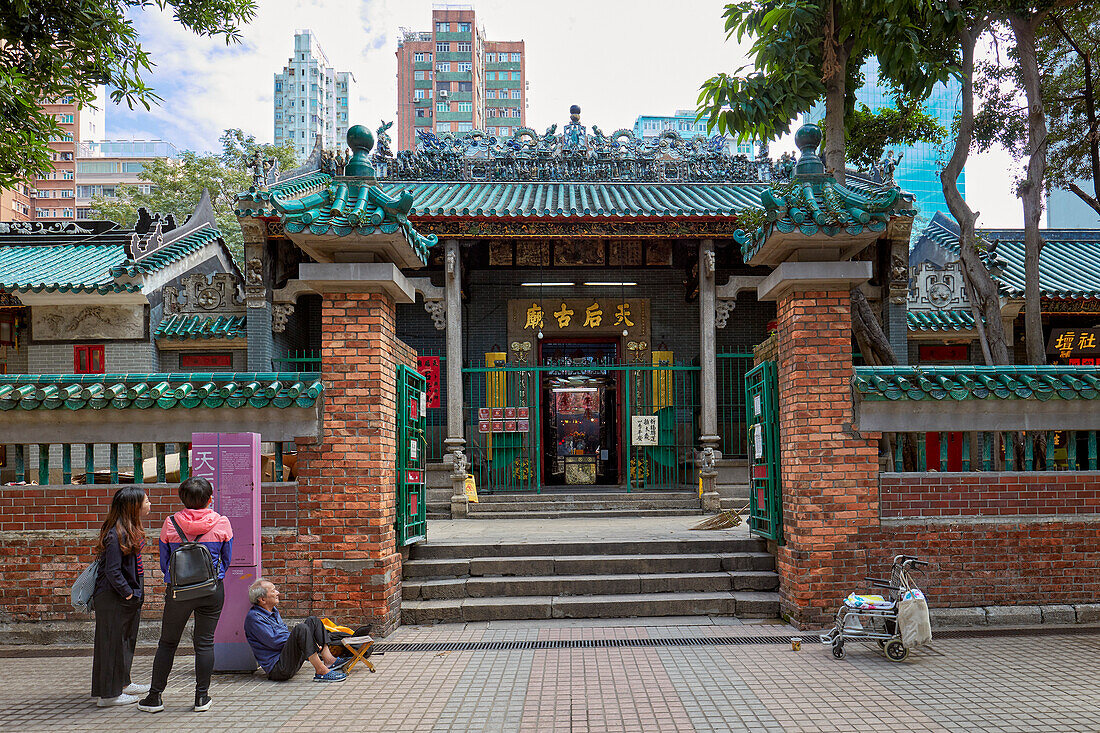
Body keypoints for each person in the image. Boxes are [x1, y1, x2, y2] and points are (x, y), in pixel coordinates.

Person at [137, 477, 233, 714]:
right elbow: (227, 559)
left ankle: (155, 697)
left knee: (168, 643)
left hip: (178, 592)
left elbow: (164, 562)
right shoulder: (222, 522)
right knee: (204, 642)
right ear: (210, 499)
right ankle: (201, 698)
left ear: (182, 499)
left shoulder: (170, 523)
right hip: (211, 590)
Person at [91, 486, 152, 707]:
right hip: (113, 596)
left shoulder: (126, 530)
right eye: (146, 501)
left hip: (125, 596)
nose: (149, 504)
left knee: (124, 642)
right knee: (111, 645)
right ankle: (108, 696)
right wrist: (127, 593)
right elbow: (112, 571)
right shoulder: (116, 534)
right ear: (133, 507)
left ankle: (122, 684)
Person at [243, 579, 349, 683]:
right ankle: (321, 671)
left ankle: (330, 661)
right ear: (262, 599)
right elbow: (275, 642)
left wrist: (308, 642)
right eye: (273, 591)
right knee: (301, 629)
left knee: (313, 621)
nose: (278, 593)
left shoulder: (273, 611)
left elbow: (284, 635)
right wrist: (309, 642)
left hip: (290, 659)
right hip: (279, 669)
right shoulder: (255, 618)